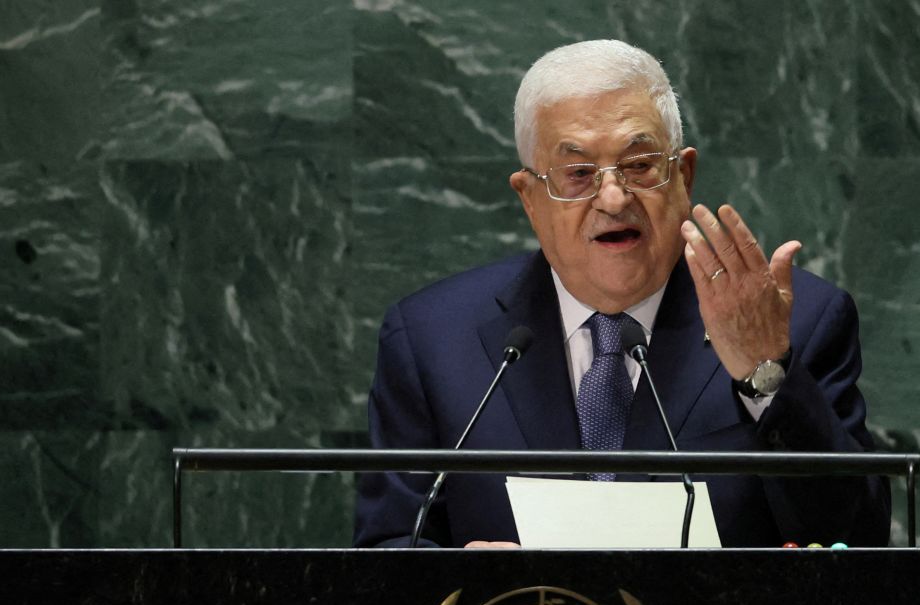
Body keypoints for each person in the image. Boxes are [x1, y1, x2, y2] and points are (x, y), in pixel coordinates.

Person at [354, 39, 889, 548]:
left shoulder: (797, 323)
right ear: (530, 199)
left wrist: (765, 374)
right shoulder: (431, 341)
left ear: (684, 175)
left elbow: (858, 543)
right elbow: (389, 551)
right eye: (578, 173)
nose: (613, 197)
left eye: (640, 166)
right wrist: (464, 582)